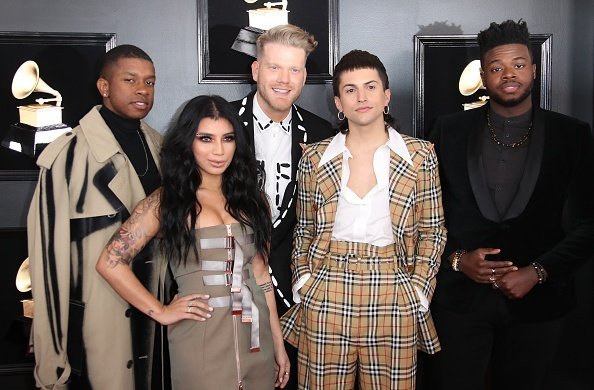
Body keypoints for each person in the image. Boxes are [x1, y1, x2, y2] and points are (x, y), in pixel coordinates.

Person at [426, 19, 594, 390]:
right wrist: (457, 259)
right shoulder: (448, 130)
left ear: (533, 70)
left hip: (539, 305)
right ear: (484, 76)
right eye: (497, 68)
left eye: (518, 65)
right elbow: (423, 217)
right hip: (460, 305)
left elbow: (589, 223)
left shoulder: (572, 134)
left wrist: (537, 271)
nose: (508, 75)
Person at [96, 95, 291, 390]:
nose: (219, 150)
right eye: (205, 138)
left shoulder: (254, 200)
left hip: (256, 342)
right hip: (198, 340)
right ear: (188, 142)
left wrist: (278, 343)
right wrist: (160, 311)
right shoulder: (168, 201)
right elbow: (110, 261)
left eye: (227, 138)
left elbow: (262, 275)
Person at [281, 49, 446, 389]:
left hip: (394, 290)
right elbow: (304, 229)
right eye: (350, 89)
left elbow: (433, 231)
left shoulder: (420, 155)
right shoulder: (314, 157)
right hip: (326, 288)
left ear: (386, 96)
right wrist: (304, 282)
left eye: (370, 87)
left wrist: (418, 291)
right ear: (338, 102)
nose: (361, 96)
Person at [27, 44, 162, 389]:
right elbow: (47, 262)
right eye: (130, 80)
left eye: (149, 82)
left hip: (156, 323)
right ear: (104, 87)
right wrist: (50, 356)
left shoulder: (162, 148)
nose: (141, 90)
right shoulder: (67, 158)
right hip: (97, 325)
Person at [231, 23, 334, 389]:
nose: (284, 79)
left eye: (294, 69)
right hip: (230, 291)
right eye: (275, 67)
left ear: (305, 76)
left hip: (297, 295)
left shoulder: (324, 135)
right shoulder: (220, 123)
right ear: (256, 70)